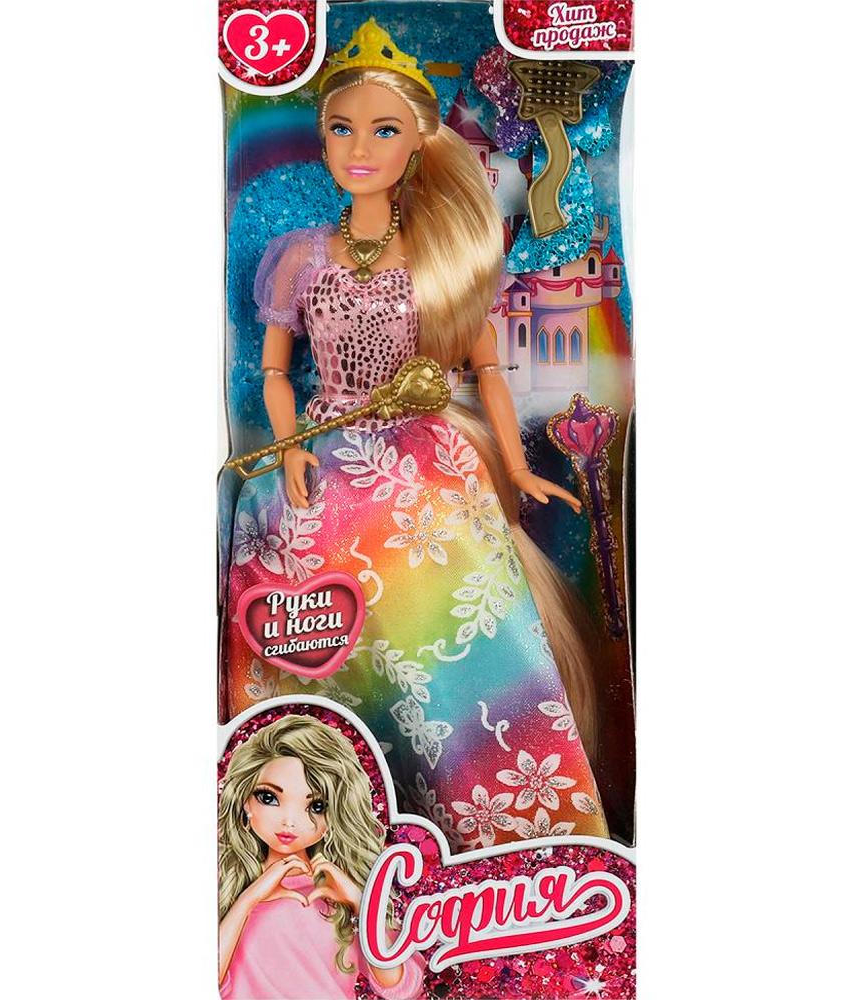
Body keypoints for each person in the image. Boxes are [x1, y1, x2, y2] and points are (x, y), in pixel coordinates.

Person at [222, 18, 609, 851]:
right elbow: (279, 374)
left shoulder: (438, 259)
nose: (359, 149)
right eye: (341, 129)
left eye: (384, 131)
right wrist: (288, 446)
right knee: (300, 598)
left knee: (451, 625)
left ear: (419, 143)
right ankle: (323, 818)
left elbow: (487, 370)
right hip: (325, 454)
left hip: (425, 461)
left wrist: (516, 468)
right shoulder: (299, 256)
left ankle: (500, 817)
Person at [218, 715, 425, 999]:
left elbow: (402, 987)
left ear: (334, 815)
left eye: (316, 806)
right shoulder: (225, 882)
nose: (289, 821)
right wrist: (248, 899)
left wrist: (360, 903)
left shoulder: (338, 890)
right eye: (269, 798)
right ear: (245, 801)